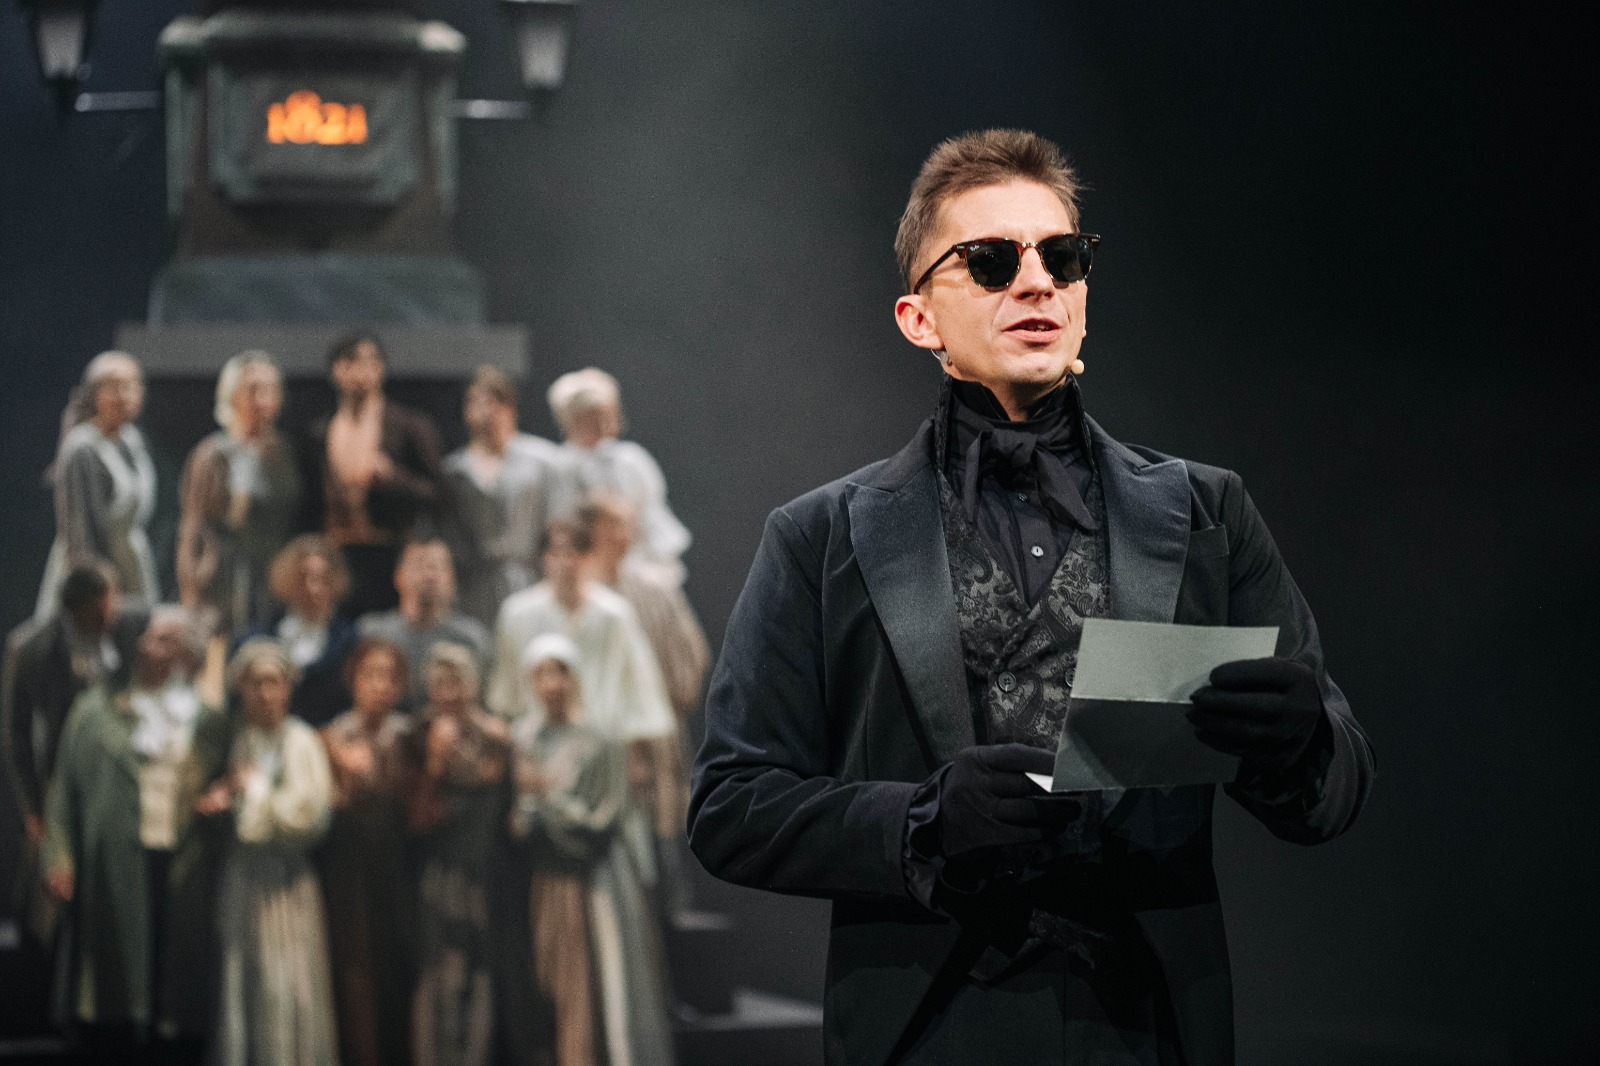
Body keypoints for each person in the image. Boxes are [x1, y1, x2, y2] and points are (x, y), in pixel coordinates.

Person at [688, 129, 1375, 1066]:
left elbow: (1335, 791)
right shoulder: (821, 538)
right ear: (919, 319)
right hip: (925, 1034)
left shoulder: (1207, 512)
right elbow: (730, 806)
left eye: (1062, 257)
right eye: (991, 260)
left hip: (1148, 1030)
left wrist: (1299, 742)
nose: (1037, 282)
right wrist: (920, 822)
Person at [41, 606, 231, 1065]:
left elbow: (225, 782)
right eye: (150, 636)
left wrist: (222, 798)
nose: (149, 646)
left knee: (174, 974)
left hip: (184, 863)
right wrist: (59, 856)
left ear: (188, 655)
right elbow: (64, 790)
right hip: (113, 861)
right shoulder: (96, 710)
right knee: (113, 976)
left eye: (166, 640)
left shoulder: (207, 720)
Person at [510, 634, 675, 1066]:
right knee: (548, 982)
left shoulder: (599, 738)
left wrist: (546, 804)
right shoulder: (524, 737)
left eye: (561, 672)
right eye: (542, 673)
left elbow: (603, 817)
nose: (552, 684)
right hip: (543, 877)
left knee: (592, 979)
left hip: (589, 878)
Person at [204, 638, 338, 1066]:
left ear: (287, 689)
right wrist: (225, 801)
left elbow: (309, 814)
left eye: (273, 683)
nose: (264, 694)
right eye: (254, 684)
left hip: (287, 884)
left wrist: (258, 794)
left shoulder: (300, 741)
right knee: (245, 980)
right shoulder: (238, 741)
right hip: (245, 882)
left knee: (288, 982)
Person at [3, 564, 147, 943]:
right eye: (100, 612)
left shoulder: (134, 623)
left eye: (111, 607)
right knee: (54, 886)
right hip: (64, 777)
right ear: (77, 611)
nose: (109, 617)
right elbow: (15, 733)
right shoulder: (32, 649)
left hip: (124, 772)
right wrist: (32, 808)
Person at [581, 495, 708, 911]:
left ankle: (671, 914)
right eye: (611, 525)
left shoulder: (654, 590)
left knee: (662, 827)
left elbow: (690, 655)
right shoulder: (582, 592)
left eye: (626, 525)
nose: (621, 535)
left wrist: (665, 706)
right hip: (596, 738)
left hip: (654, 732)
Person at [408, 642, 510, 1066]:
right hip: (439, 873)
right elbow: (418, 819)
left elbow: (501, 792)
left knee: (483, 969)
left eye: (458, 682)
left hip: (487, 873)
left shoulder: (495, 736)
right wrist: (435, 763)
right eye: (441, 683)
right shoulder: (418, 734)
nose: (450, 693)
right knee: (439, 969)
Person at [319, 637, 416, 1066]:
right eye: (370, 674)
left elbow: (420, 807)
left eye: (389, 676)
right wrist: (341, 776)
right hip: (348, 868)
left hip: (399, 866)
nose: (380, 685)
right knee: (354, 969)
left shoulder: (408, 734)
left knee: (397, 966)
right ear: (353, 679)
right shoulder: (334, 736)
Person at [302, 332, 444, 617]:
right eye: (350, 362)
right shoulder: (321, 432)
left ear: (380, 368)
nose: (359, 372)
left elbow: (439, 494)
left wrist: (394, 478)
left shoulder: (408, 425)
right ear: (337, 370)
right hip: (338, 554)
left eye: (368, 362)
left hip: (391, 552)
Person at [176, 351, 300, 637]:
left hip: (273, 576)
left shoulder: (285, 454)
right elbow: (193, 528)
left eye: (271, 390)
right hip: (223, 577)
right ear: (233, 395)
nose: (263, 399)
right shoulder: (213, 454)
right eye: (254, 390)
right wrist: (192, 594)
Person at [35, 352, 159, 619]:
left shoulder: (133, 441)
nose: (123, 396)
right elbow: (80, 526)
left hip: (130, 564)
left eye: (130, 387)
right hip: (93, 568)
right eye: (113, 387)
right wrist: (96, 588)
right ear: (94, 395)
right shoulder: (83, 448)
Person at [546, 368, 690, 581]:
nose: (601, 424)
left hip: (638, 564)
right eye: (591, 417)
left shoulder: (631, 459)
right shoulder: (558, 468)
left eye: (606, 415)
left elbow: (650, 513)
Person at [443, 365, 559, 628]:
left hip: (529, 578)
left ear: (510, 408)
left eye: (495, 401)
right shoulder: (454, 470)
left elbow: (556, 524)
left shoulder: (543, 461)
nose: (487, 411)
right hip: (472, 585)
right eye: (477, 401)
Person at [235, 534, 359, 727]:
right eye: (303, 578)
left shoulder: (349, 641)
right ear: (287, 581)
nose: (312, 589)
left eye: (322, 579)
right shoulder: (258, 637)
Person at [357, 534, 491, 711]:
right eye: (419, 565)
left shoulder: (472, 637)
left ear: (452, 578)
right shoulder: (372, 633)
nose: (429, 575)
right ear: (398, 576)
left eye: (437, 567)